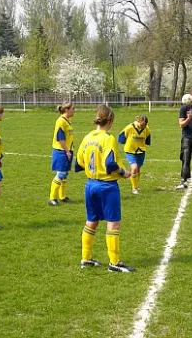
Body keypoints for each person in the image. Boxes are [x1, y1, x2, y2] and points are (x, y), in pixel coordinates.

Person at [75, 104, 135, 272]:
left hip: (90, 185)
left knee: (91, 221)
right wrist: (123, 172)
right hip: (107, 186)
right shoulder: (108, 138)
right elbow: (110, 163)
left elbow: (79, 163)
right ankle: (114, 262)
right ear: (110, 120)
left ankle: (85, 258)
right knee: (113, 224)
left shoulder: (87, 137)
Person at [48, 101, 76, 206]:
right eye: (73, 108)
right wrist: (67, 151)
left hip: (67, 150)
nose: (74, 110)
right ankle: (52, 198)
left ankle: (62, 196)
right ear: (66, 110)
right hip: (61, 151)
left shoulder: (67, 120)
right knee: (60, 174)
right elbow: (60, 138)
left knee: (65, 174)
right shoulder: (61, 121)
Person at [118, 114, 151, 195]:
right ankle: (134, 188)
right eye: (142, 124)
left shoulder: (146, 129)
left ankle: (136, 184)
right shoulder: (130, 127)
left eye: (145, 125)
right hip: (130, 151)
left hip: (141, 151)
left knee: (138, 169)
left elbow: (147, 138)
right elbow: (121, 136)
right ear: (138, 121)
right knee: (134, 167)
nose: (143, 126)